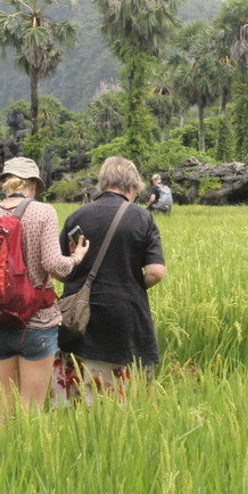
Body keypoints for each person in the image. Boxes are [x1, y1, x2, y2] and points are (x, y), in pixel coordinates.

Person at [0, 157, 89, 414]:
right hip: (37, 320)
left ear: (4, 182)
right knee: (32, 409)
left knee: (6, 405)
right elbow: (53, 265)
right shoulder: (43, 212)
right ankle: (28, 455)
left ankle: (1, 453)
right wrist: (76, 257)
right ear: (34, 184)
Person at [53, 156, 166, 404]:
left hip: (80, 318)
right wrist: (132, 284)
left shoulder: (77, 216)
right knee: (123, 401)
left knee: (80, 399)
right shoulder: (143, 218)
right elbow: (156, 272)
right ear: (132, 186)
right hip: (126, 316)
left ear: (104, 183)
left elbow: (58, 268)